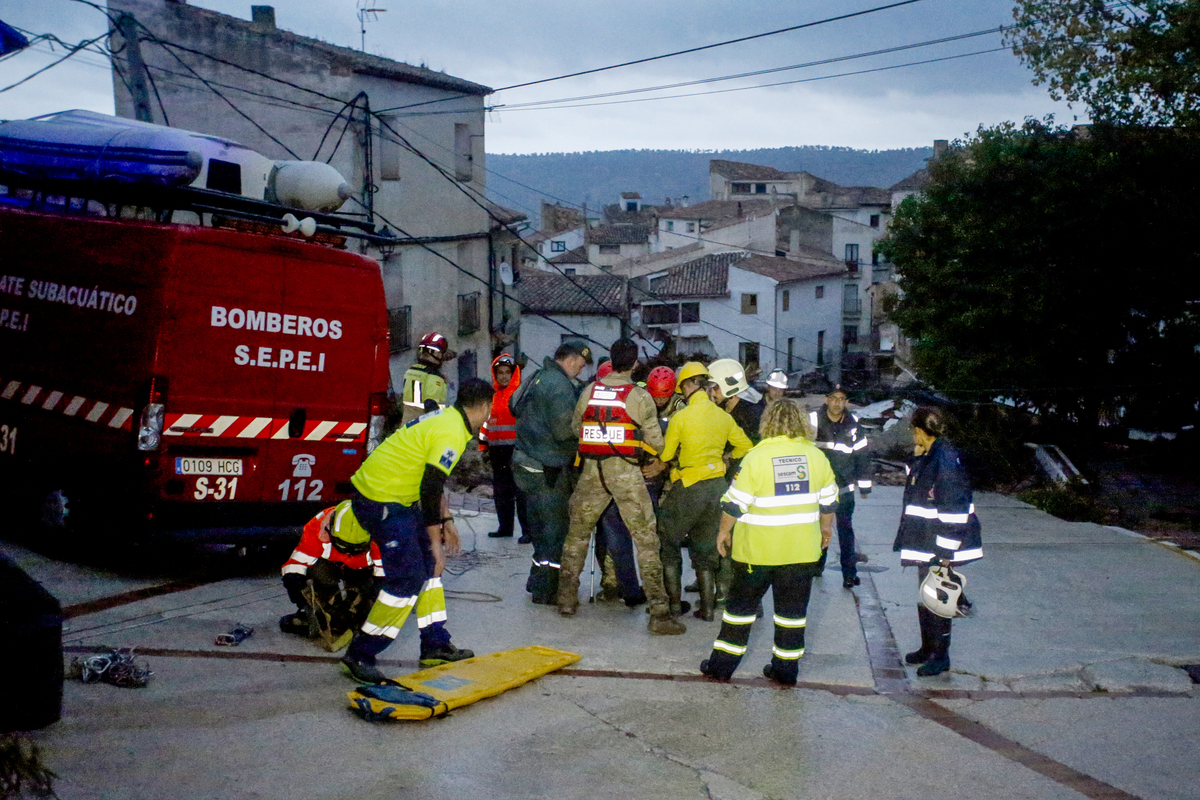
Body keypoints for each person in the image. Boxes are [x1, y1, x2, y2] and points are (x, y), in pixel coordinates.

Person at [338, 378, 495, 684]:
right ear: (485, 406)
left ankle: (435, 643)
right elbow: (431, 485)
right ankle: (361, 653)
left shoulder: (449, 419)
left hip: (398, 496)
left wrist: (446, 522)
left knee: (430, 569)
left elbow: (431, 477)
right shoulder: (452, 431)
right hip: (381, 498)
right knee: (407, 578)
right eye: (491, 409)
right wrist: (436, 540)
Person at [699, 399, 840, 686]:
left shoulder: (756, 458)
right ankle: (785, 670)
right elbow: (829, 503)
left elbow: (735, 505)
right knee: (791, 615)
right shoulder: (816, 458)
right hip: (800, 552)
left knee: (739, 612)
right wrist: (826, 532)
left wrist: (723, 533)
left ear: (768, 423)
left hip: (757, 554)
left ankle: (721, 667)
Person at [557, 339, 686, 635]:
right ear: (635, 364)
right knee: (646, 541)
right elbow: (657, 442)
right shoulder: (639, 396)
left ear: (611, 361)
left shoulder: (589, 390)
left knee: (576, 536)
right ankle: (660, 613)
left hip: (591, 471)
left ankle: (566, 599)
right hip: (625, 473)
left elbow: (577, 429)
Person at [657, 361, 753, 621]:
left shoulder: (681, 417)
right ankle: (708, 609)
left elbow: (665, 454)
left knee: (667, 541)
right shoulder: (722, 416)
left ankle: (675, 607)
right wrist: (726, 457)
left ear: (687, 386)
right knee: (707, 549)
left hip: (689, 486)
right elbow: (745, 445)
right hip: (717, 488)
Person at [892, 405, 983, 677]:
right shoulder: (931, 454)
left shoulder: (945, 458)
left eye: (913, 430)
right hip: (924, 539)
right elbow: (918, 485)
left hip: (939, 542)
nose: (912, 435)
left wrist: (945, 551)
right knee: (925, 593)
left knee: (939, 597)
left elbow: (955, 508)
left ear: (921, 431)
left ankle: (940, 656)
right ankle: (927, 647)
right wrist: (917, 457)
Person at [510, 340, 591, 604]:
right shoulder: (559, 387)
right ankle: (548, 590)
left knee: (540, 531)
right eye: (579, 365)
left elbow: (513, 405)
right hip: (548, 469)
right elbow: (563, 431)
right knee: (555, 533)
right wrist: (585, 435)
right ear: (569, 361)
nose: (579, 371)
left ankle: (537, 582)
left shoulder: (537, 376)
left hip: (525, 464)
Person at [280, 500, 384, 649]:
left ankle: (355, 616)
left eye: (355, 548)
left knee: (373, 596)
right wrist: (294, 582)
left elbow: (385, 572)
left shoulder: (381, 530)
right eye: (343, 546)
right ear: (330, 530)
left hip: (363, 571)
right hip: (330, 568)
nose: (348, 553)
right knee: (315, 574)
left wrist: (377, 594)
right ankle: (326, 615)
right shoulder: (317, 527)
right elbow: (297, 561)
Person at [809, 385, 873, 589]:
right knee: (818, 529)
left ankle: (849, 574)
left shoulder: (854, 424)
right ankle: (816, 566)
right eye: (833, 398)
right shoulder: (813, 421)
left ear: (846, 402)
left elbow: (863, 456)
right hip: (817, 489)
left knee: (846, 531)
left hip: (844, 488)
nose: (837, 403)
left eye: (841, 399)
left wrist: (864, 487)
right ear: (826, 400)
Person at [480, 354, 529, 542]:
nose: (503, 377)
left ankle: (527, 531)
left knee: (521, 492)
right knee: (501, 491)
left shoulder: (519, 394)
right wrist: (483, 446)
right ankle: (505, 527)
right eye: (500, 373)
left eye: (507, 373)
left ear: (513, 373)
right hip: (496, 450)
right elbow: (485, 423)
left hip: (516, 449)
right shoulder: (491, 395)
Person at [400, 332, 455, 425]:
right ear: (436, 354)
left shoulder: (411, 371)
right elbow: (431, 407)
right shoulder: (434, 378)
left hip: (407, 426)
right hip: (423, 430)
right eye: (441, 353)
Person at [708, 358, 765, 446]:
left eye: (715, 388)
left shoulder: (752, 415)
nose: (712, 394)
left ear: (729, 386)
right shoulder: (720, 410)